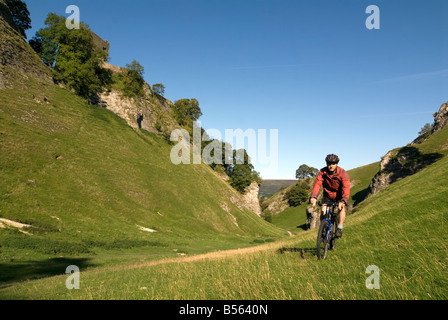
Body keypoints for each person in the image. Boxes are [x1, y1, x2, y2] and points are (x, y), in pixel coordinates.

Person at [309, 154, 350, 238]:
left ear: (337, 164)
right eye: (329, 163)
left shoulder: (342, 173)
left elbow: (346, 187)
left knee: (341, 209)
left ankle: (339, 227)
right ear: (326, 163)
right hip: (327, 195)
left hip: (339, 195)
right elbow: (318, 183)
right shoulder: (322, 172)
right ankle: (323, 228)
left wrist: (344, 200)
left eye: (333, 163)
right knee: (323, 211)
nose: (330, 166)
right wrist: (313, 196)